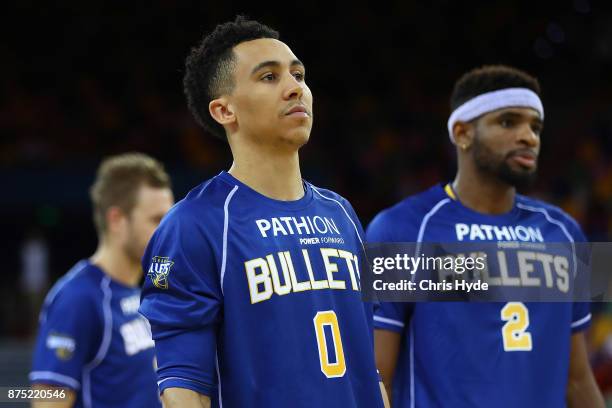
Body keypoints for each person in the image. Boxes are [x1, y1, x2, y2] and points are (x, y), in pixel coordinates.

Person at [138, 16, 388, 408]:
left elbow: (368, 369)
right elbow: (183, 387)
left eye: (299, 75)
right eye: (269, 77)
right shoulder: (195, 224)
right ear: (225, 111)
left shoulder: (341, 214)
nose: (295, 89)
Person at [369, 65, 604, 407]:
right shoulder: (400, 229)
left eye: (535, 126)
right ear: (462, 133)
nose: (529, 137)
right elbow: (377, 377)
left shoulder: (566, 233)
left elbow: (579, 380)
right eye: (509, 122)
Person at [30, 153, 174, 408]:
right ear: (117, 220)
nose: (168, 231)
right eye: (156, 220)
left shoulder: (139, 292)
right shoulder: (79, 298)